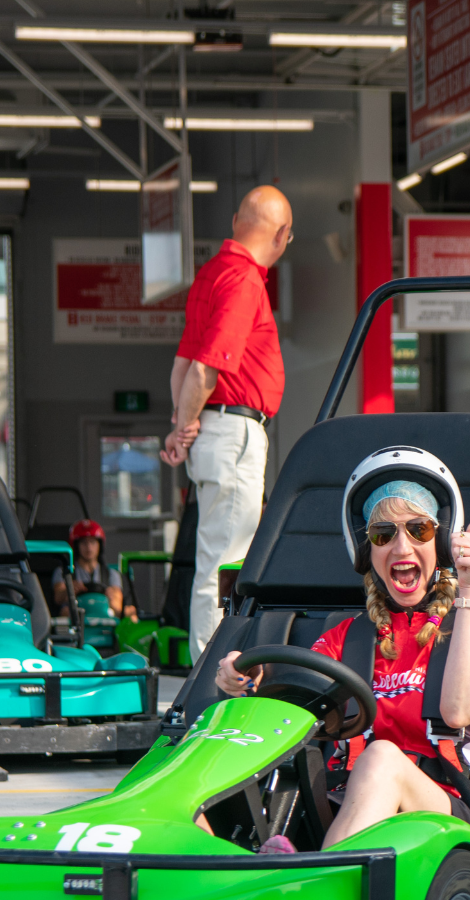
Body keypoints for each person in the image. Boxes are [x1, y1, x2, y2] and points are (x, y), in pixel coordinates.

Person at [213, 451, 470, 848]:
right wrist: (244, 681)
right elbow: (295, 708)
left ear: (441, 541)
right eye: (383, 535)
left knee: (382, 759)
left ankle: (313, 884)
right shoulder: (344, 638)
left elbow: (460, 710)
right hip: (351, 800)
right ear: (367, 551)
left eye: (419, 530)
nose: (402, 548)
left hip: (458, 805)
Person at [161, 185, 294, 660]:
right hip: (233, 430)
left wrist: (182, 424)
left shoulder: (212, 273)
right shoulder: (244, 280)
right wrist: (185, 424)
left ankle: (209, 668)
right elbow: (203, 369)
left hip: (212, 429)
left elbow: (183, 364)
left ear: (238, 220)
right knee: (225, 563)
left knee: (213, 557)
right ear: (282, 235)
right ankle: (213, 676)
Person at [50, 518, 129, 617]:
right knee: (66, 611)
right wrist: (70, 590)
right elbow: (58, 597)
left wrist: (112, 597)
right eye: (84, 543)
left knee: (130, 612)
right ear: (76, 545)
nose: (89, 547)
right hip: (77, 620)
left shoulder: (111, 574)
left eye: (92, 542)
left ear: (100, 545)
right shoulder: (63, 572)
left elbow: (117, 607)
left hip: (104, 620)